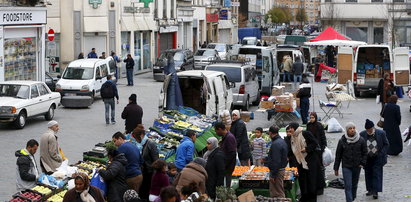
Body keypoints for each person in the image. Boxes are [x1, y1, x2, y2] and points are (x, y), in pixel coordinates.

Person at [288, 122, 322, 202]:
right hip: (300, 162)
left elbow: (315, 143)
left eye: (291, 128)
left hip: (310, 161)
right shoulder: (292, 137)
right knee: (302, 181)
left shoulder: (305, 133)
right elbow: (293, 150)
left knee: (311, 182)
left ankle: (312, 199)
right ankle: (304, 197)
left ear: (295, 128)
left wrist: (306, 149)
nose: (289, 130)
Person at [334, 122, 367, 202]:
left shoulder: (361, 140)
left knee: (354, 185)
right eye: (350, 128)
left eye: (353, 128)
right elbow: (338, 155)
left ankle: (352, 198)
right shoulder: (342, 141)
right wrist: (336, 168)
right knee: (348, 185)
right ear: (347, 130)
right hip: (346, 166)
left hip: (357, 166)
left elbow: (365, 153)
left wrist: (362, 163)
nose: (352, 130)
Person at [360, 119, 389, 199]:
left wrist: (381, 153)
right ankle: (370, 189)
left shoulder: (381, 133)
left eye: (370, 130)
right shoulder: (362, 134)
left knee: (376, 174)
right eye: (367, 130)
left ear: (373, 128)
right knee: (368, 173)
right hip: (367, 158)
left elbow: (386, 144)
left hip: (378, 157)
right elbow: (360, 146)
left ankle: (375, 191)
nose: (369, 131)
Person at [132, 128, 159, 200]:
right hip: (141, 171)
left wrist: (155, 174)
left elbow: (156, 160)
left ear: (141, 135)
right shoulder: (139, 144)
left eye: (136, 138)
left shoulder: (151, 144)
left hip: (149, 172)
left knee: (146, 191)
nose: (136, 140)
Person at [306, 112, 327, 195]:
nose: (311, 119)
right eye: (310, 117)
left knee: (319, 165)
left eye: (312, 118)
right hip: (311, 149)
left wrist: (323, 146)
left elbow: (322, 136)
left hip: (318, 149)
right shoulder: (308, 125)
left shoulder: (319, 125)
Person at [265, 126, 288, 198]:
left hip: (277, 171)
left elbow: (276, 161)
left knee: (277, 193)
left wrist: (273, 175)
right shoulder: (281, 141)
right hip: (280, 169)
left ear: (270, 133)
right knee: (279, 190)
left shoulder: (275, 144)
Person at [215, 121, 236, 187]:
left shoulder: (229, 137)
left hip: (228, 167)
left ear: (220, 129)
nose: (216, 133)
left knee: (226, 183)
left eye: (216, 131)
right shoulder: (225, 137)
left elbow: (232, 153)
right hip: (226, 165)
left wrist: (224, 163)